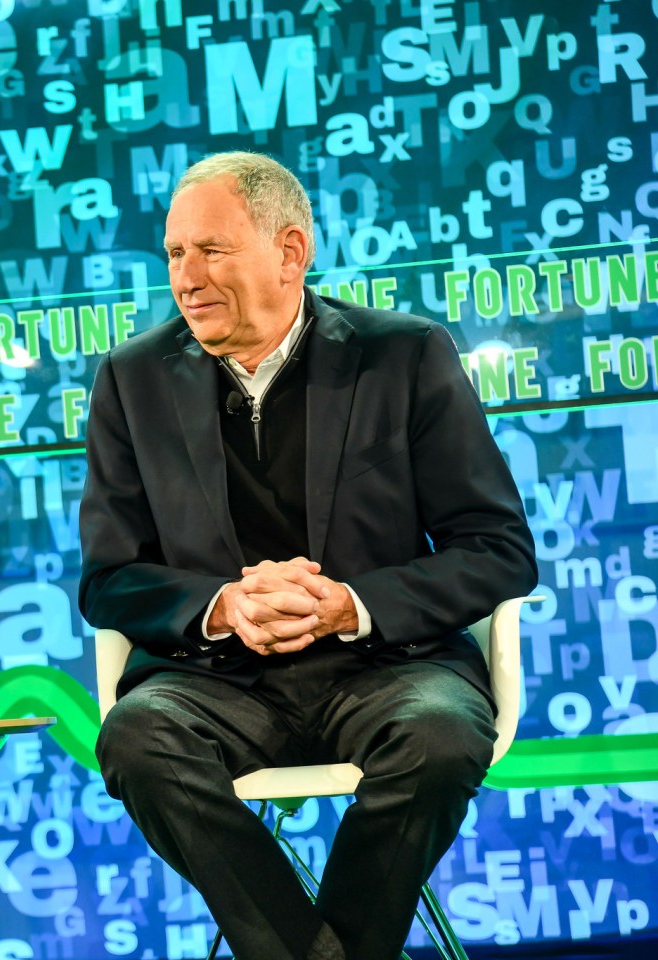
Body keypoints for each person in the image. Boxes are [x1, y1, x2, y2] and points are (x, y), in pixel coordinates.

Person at [80, 153, 537, 960]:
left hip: (389, 667)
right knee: (137, 737)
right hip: (217, 681)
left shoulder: (403, 356)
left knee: (440, 736)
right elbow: (111, 579)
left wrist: (351, 605)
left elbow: (497, 550)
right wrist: (223, 607)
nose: (187, 278)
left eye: (211, 251)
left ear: (291, 252)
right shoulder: (132, 380)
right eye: (175, 254)